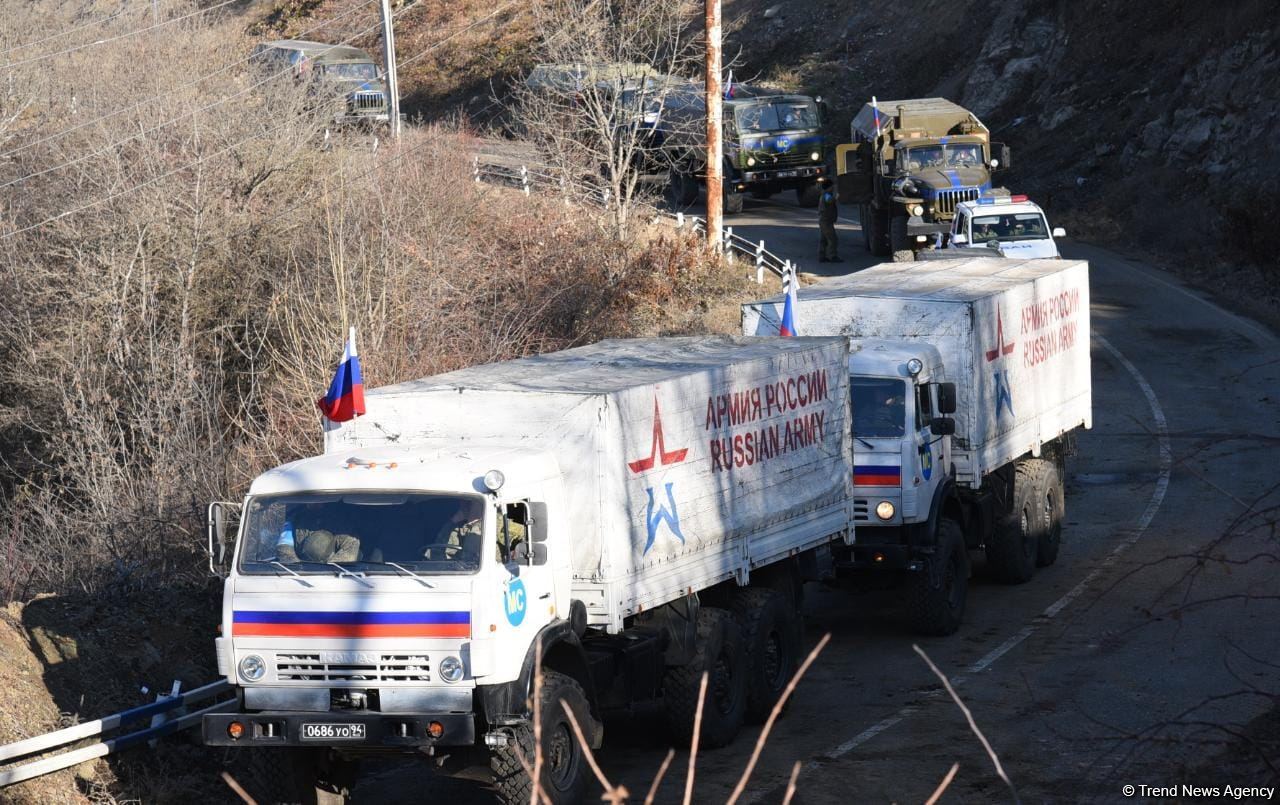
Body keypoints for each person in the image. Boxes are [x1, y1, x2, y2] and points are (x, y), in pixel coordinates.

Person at [817, 177, 841, 263]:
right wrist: (835, 197)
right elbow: (829, 201)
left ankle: (822, 256)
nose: (833, 188)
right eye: (832, 187)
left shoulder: (824, 194)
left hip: (824, 220)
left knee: (823, 239)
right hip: (826, 221)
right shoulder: (827, 195)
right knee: (832, 239)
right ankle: (832, 256)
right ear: (829, 187)